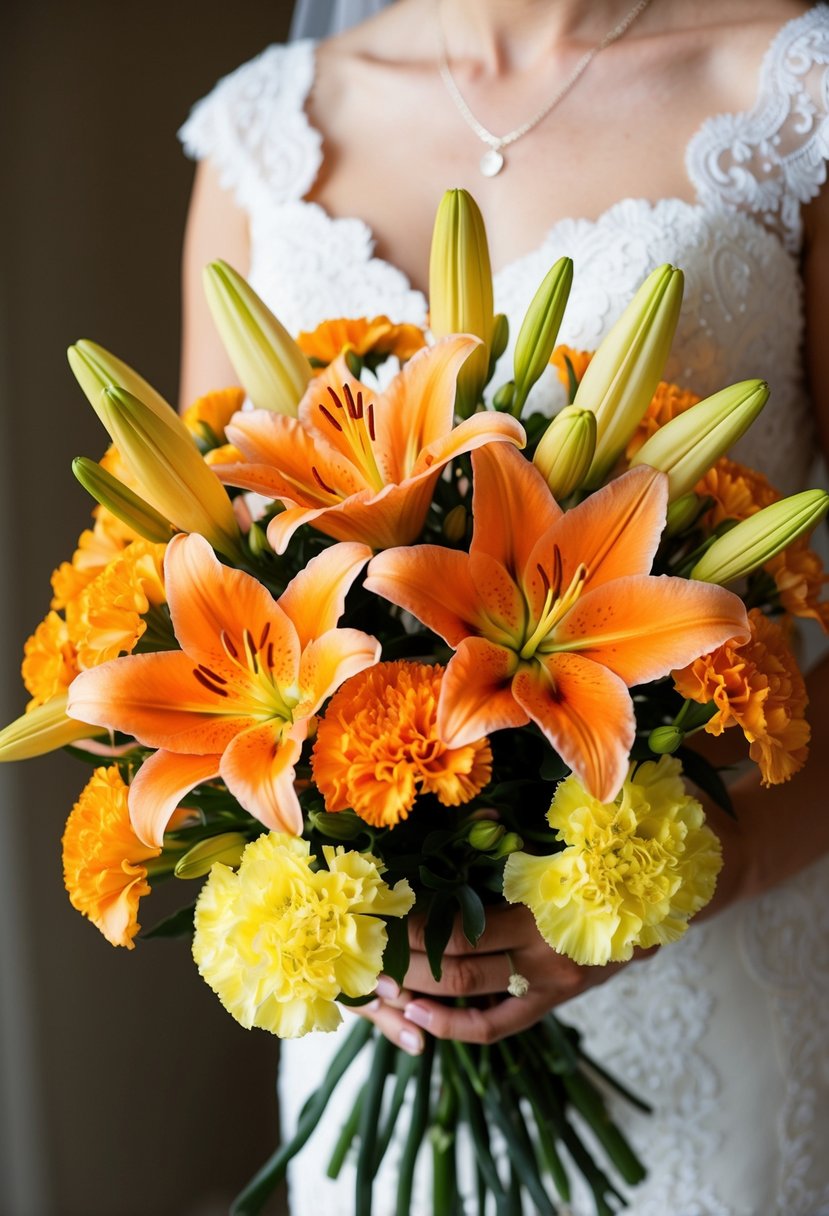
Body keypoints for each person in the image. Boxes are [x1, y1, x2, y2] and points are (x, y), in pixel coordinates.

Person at [177, 1, 829, 1211]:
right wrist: (333, 898)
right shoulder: (264, 136)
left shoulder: (793, 95)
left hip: (709, 971)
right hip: (372, 1022)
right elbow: (204, 582)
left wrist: (698, 871)